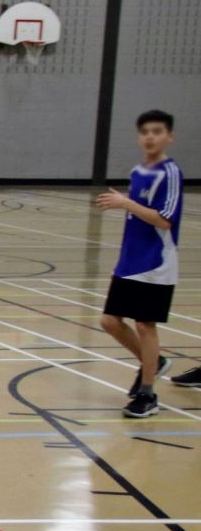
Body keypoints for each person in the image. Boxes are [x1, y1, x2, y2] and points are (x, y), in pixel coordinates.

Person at [96, 109, 182, 418]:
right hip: (130, 261)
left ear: (168, 137)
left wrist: (126, 203)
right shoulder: (138, 172)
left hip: (156, 264)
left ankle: (148, 395)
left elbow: (164, 220)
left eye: (157, 131)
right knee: (109, 321)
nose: (150, 137)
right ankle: (153, 363)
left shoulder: (170, 173)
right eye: (145, 131)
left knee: (145, 325)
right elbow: (135, 221)